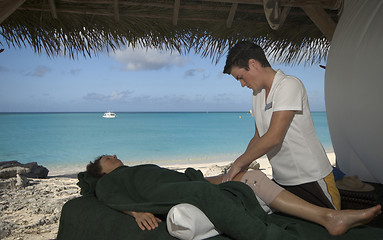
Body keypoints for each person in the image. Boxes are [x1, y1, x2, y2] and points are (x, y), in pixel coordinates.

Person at [87, 154, 381, 239]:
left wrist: (229, 174)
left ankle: (329, 217)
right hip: (189, 191)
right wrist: (136, 213)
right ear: (103, 172)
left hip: (192, 183)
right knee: (249, 179)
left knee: (252, 176)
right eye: (106, 158)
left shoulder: (137, 169)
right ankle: (328, 217)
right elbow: (111, 199)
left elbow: (183, 179)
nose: (113, 155)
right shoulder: (110, 182)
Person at [222, 41, 341, 210]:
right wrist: (241, 169)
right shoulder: (257, 95)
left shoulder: (289, 85)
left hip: (312, 177)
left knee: (330, 229)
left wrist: (238, 163)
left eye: (240, 77)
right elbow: (258, 137)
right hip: (282, 181)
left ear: (253, 64)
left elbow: (273, 137)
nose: (242, 84)